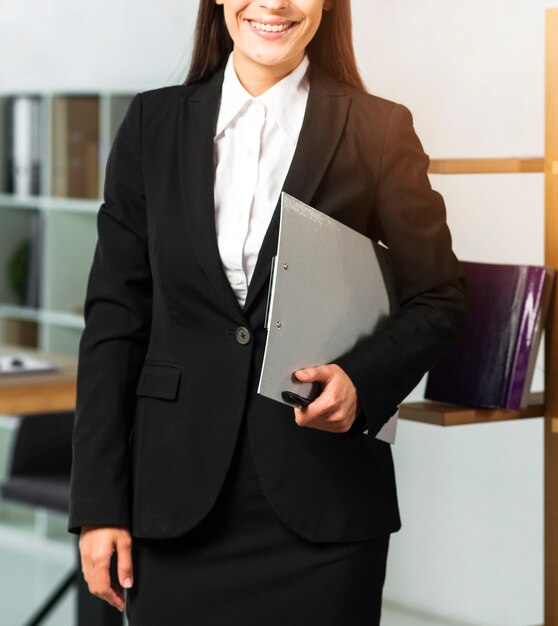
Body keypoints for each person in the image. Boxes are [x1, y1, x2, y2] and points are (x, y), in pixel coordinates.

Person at [68, 0, 466, 624]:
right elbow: (115, 322)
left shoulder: (378, 129)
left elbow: (440, 298)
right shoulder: (152, 123)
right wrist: (98, 503)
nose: (274, 4)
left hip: (323, 509)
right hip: (173, 502)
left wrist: (363, 380)